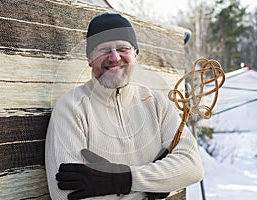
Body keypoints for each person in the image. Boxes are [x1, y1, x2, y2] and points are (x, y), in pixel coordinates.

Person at [45, 12, 203, 200]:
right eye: (104, 50)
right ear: (89, 59)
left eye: (123, 48)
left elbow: (193, 166)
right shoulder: (71, 109)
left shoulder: (157, 104)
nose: (114, 57)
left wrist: (123, 179)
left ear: (135, 56)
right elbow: (65, 194)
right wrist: (157, 180)